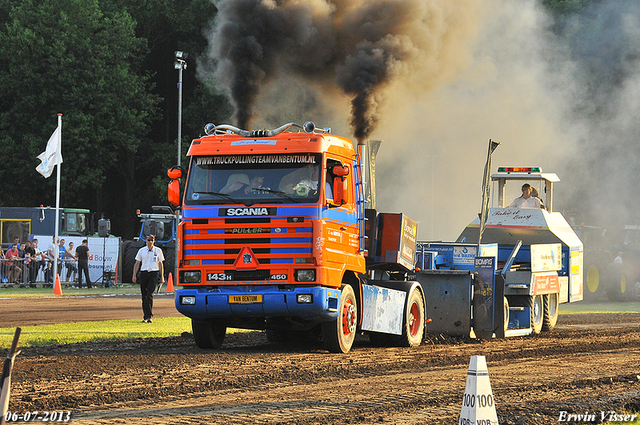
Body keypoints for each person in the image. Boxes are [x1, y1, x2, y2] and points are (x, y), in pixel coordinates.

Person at [132, 235, 165, 323]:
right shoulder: (141, 251)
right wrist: (134, 275)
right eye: (148, 240)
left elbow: (160, 264)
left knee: (150, 294)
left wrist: (162, 277)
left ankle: (149, 316)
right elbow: (137, 263)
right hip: (144, 273)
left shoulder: (158, 250)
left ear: (154, 241)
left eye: (151, 240)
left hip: (153, 274)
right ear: (146, 241)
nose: (150, 242)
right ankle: (145, 316)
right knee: (144, 296)